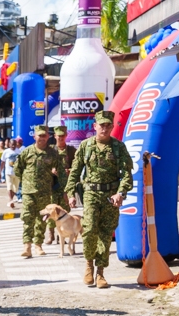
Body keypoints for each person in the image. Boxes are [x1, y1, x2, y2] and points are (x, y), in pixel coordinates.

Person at [65, 110, 134, 289]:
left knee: (105, 233)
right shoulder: (86, 146)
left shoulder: (119, 148)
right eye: (101, 125)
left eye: (107, 125)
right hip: (91, 194)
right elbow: (74, 171)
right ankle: (88, 265)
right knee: (88, 230)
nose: (104, 128)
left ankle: (100, 272)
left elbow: (127, 174)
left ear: (112, 126)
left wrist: (121, 193)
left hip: (111, 195)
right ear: (95, 126)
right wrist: (71, 193)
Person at [15, 125, 66, 257]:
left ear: (48, 137)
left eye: (44, 135)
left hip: (45, 192)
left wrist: (63, 189)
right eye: (40, 135)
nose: (42, 138)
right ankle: (27, 246)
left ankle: (38, 245)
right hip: (28, 191)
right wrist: (26, 180)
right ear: (34, 136)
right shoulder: (27, 152)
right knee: (27, 218)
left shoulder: (53, 153)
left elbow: (60, 171)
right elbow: (18, 169)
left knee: (42, 219)